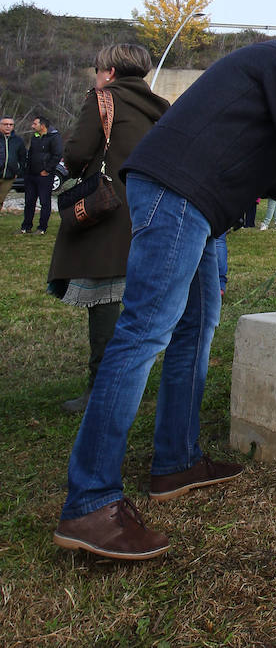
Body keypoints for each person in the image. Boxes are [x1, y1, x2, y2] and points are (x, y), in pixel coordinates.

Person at [53, 22, 276, 563]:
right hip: (177, 194)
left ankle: (177, 460)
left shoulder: (262, 73)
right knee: (143, 334)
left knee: (194, 329)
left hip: (195, 202)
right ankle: (90, 502)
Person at [48, 44, 169, 414]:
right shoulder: (162, 109)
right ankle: (131, 380)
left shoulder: (102, 99)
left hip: (108, 211)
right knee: (138, 303)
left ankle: (100, 390)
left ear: (110, 72)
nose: (97, 76)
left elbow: (79, 151)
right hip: (150, 212)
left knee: (103, 300)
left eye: (98, 69)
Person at [21, 113, 62, 234]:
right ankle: (26, 226)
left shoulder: (54, 137)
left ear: (42, 125)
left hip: (44, 176)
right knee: (29, 201)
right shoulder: (35, 137)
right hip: (31, 175)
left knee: (44, 202)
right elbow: (31, 153)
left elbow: (57, 155)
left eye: (35, 124)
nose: (32, 126)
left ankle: (42, 227)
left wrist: (47, 170)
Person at [0, 114, 27, 211]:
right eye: (5, 124)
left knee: (1, 200)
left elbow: (23, 158)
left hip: (9, 177)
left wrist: (18, 171)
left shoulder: (18, 141)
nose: (8, 126)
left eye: (11, 125)